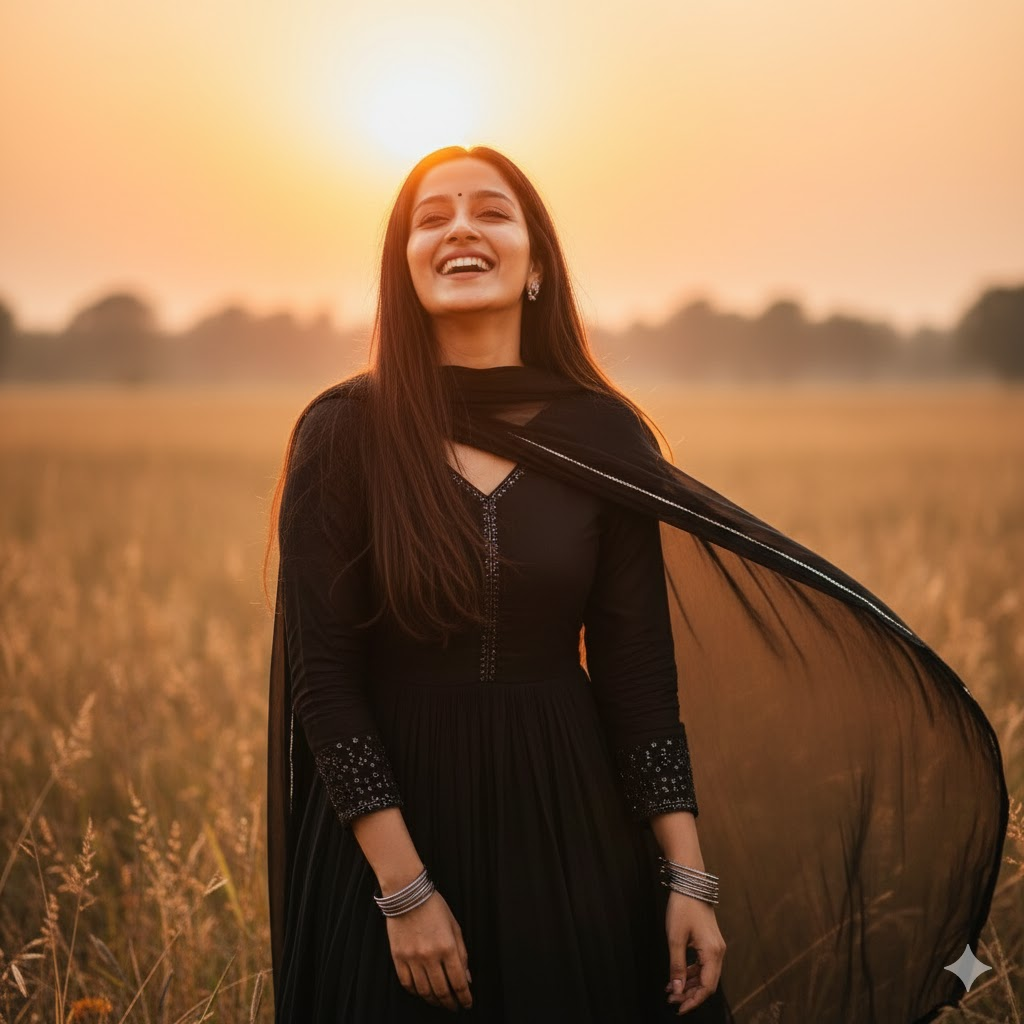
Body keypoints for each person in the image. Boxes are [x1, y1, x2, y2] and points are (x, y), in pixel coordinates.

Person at [265, 145, 1008, 1023]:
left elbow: (638, 677)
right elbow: (325, 680)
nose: (460, 229)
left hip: (566, 822)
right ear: (404, 267)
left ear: (536, 265)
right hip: (389, 837)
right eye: (432, 219)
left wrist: (687, 878)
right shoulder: (344, 432)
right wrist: (405, 891)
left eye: (491, 212)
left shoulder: (603, 434)